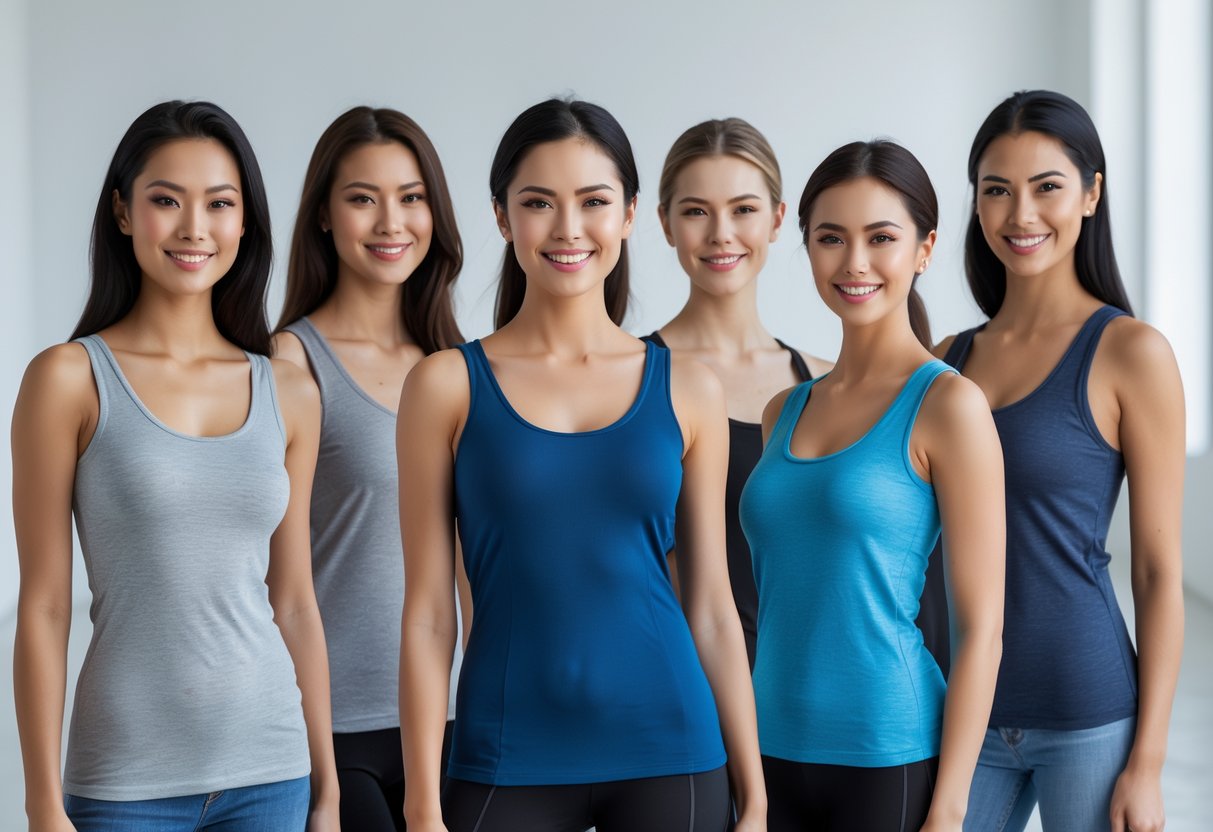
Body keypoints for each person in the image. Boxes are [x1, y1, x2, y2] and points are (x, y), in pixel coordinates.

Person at [397, 98, 765, 832]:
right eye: (539, 202)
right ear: (502, 217)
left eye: (593, 202)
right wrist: (421, 804)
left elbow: (711, 608)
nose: (568, 228)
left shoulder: (688, 388)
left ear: (628, 215)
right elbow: (431, 614)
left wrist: (753, 797)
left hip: (673, 749)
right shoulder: (444, 386)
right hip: (504, 754)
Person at [11, 100, 339, 831]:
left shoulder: (289, 390)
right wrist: (41, 804)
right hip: (125, 783)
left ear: (245, 223)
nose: (195, 228)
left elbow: (293, 600)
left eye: (219, 204)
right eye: (166, 200)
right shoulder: (68, 379)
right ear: (123, 213)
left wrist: (327, 789)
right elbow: (45, 605)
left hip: (272, 773)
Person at [937, 89, 1184, 832]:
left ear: (1090, 194)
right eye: (996, 191)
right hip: (961, 709)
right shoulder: (946, 360)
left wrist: (1146, 764)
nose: (1020, 215)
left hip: (1086, 709)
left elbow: (1157, 574)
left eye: (1046, 186)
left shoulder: (1131, 353)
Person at [741, 140, 1005, 831]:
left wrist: (948, 811)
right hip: (768, 749)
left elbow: (981, 629)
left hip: (889, 753)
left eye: (881, 238)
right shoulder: (783, 409)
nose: (854, 262)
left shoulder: (949, 405)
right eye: (831, 238)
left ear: (924, 249)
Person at [275, 105, 466, 831]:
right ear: (324, 216)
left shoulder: (457, 367)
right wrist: (322, 780)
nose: (391, 222)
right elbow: (281, 581)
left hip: (454, 723)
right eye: (363, 198)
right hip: (334, 730)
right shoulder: (289, 362)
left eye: (411, 197)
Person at [644, 117, 832, 669]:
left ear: (777, 219)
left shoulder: (827, 381)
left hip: (812, 689)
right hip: (681, 688)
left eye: (743, 209)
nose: (721, 233)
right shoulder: (628, 378)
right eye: (696, 211)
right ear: (665, 222)